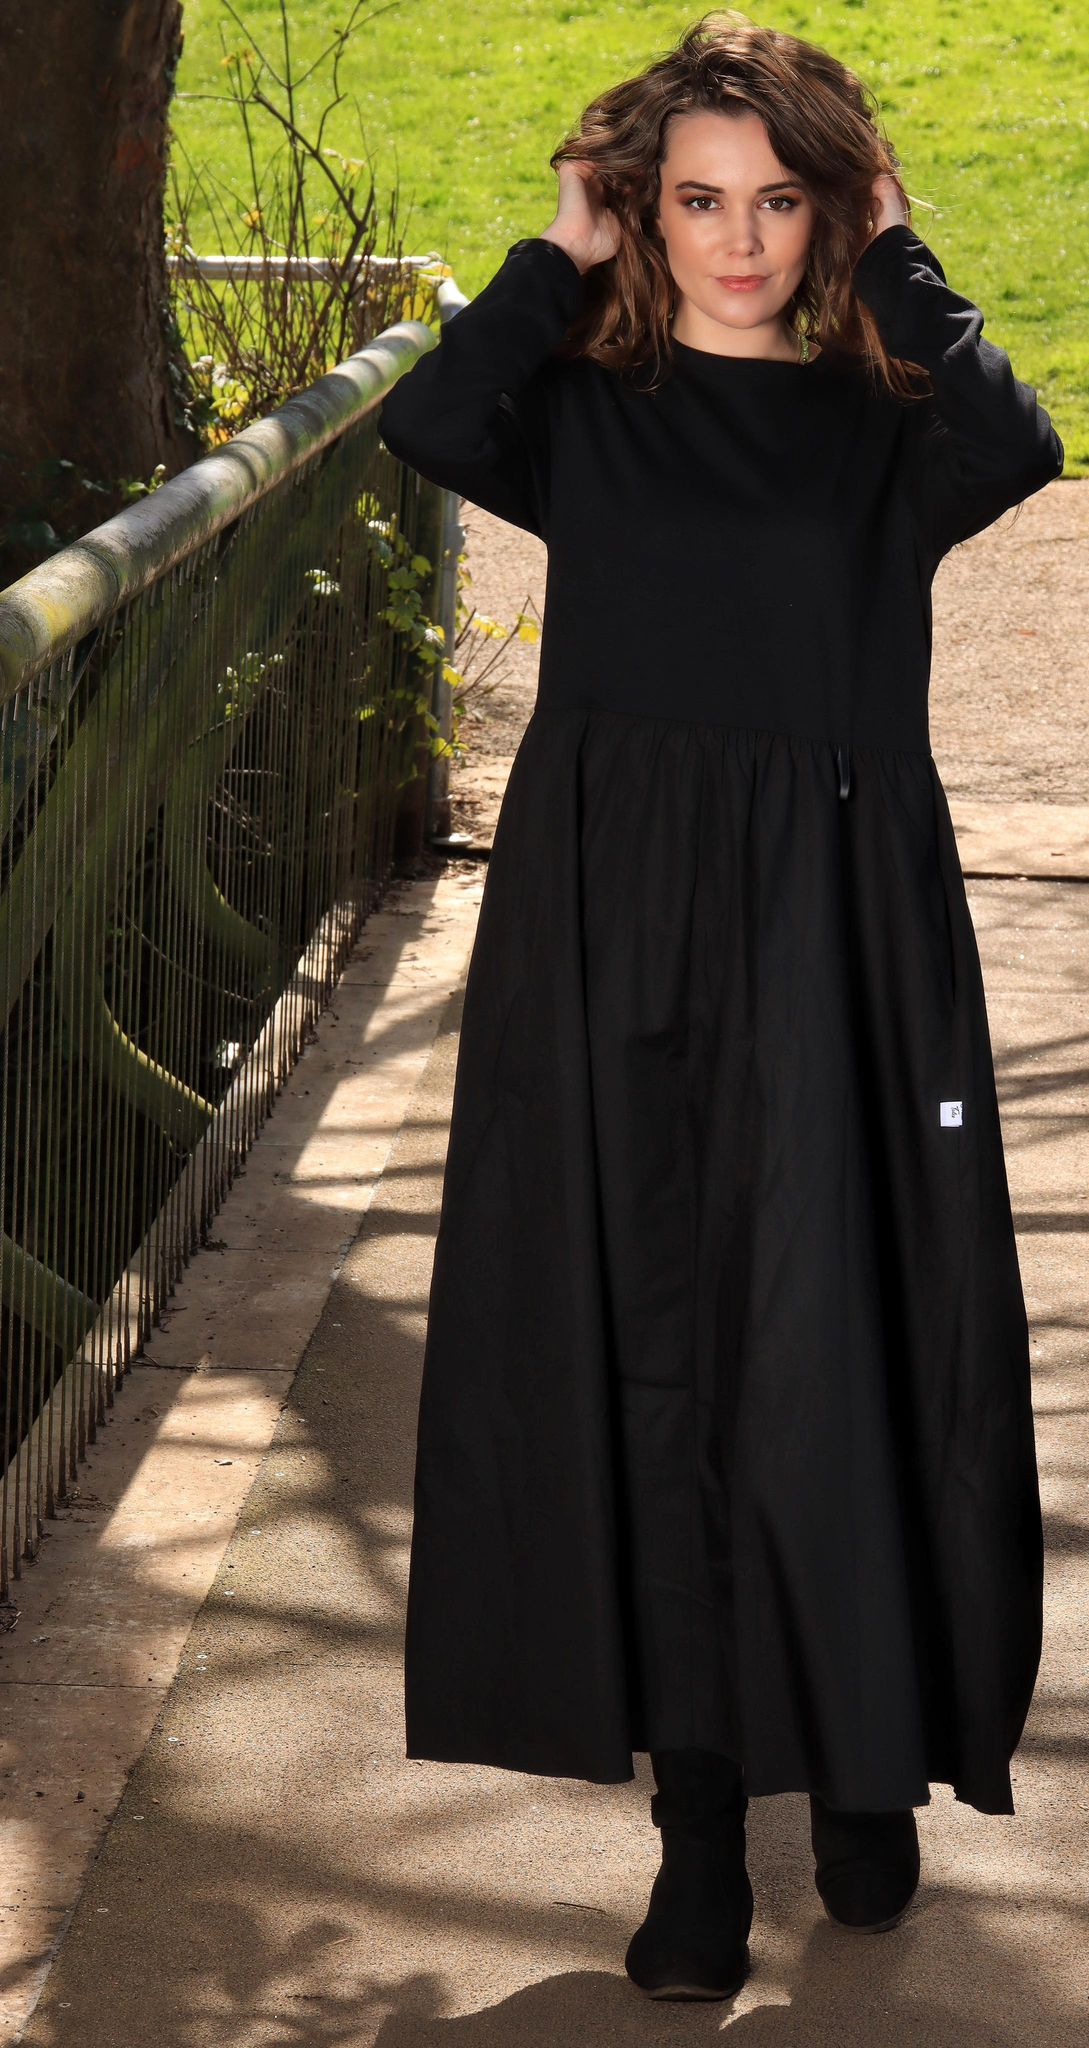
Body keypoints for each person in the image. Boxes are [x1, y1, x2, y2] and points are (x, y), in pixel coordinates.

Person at [377, 9, 1063, 2004]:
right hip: (607, 936)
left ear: (827, 210)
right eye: (693, 202)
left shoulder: (880, 423)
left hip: (839, 928)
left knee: (835, 1350)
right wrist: (551, 253)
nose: (735, 240)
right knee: (650, 1359)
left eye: (774, 201)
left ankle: (863, 1771)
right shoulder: (580, 408)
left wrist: (905, 253)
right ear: (642, 210)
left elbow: (1016, 437)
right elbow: (430, 423)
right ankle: (694, 1826)